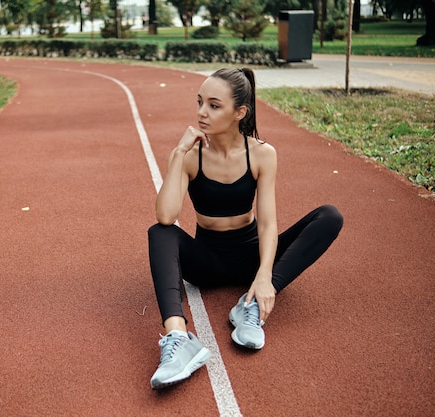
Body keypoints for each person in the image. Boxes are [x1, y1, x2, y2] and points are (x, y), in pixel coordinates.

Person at [147, 68, 343, 390]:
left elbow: (267, 223)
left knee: (329, 216)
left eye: (213, 105)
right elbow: (167, 216)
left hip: (250, 258)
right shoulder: (190, 155)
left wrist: (266, 277)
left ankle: (251, 305)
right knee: (159, 232)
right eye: (199, 103)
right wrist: (178, 153)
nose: (201, 113)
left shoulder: (262, 154)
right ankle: (178, 337)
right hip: (206, 263)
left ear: (240, 113)